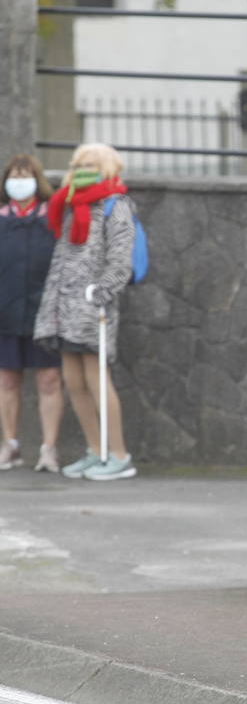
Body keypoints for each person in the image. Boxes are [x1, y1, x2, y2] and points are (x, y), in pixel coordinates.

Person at [32, 143, 138, 481]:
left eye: (90, 164)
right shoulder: (68, 205)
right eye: (78, 164)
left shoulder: (115, 205)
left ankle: (119, 454)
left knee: (96, 379)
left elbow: (121, 259)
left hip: (93, 307)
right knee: (73, 380)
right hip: (64, 307)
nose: (81, 169)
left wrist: (102, 292)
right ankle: (96, 449)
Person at [0, 155, 63, 473]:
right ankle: (10, 445)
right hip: (6, 312)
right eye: (14, 175)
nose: (19, 180)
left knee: (50, 380)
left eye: (25, 175)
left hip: (44, 312)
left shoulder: (52, 217)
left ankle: (48, 449)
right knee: (8, 379)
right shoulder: (1, 218)